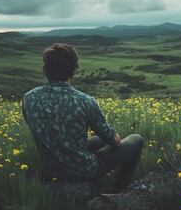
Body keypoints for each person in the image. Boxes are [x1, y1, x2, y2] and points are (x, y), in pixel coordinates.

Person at [22, 43, 144, 193]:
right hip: (83, 169)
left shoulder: (29, 98)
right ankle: (119, 192)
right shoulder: (85, 101)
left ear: (46, 68)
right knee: (137, 139)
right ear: (74, 68)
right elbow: (114, 140)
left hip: (50, 168)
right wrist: (115, 138)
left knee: (98, 140)